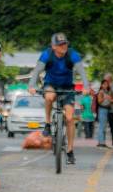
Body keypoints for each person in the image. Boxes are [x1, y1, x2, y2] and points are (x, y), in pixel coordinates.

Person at [27, 33, 89, 165]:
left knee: (70, 118)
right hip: (51, 84)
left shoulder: (72, 54)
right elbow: (37, 71)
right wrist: (32, 86)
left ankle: (70, 151)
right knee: (49, 96)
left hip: (67, 87)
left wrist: (86, 87)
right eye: (60, 44)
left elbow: (82, 72)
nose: (64, 46)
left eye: (65, 43)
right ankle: (48, 123)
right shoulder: (47, 55)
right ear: (53, 46)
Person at [96, 78, 113, 148]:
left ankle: (101, 142)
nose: (106, 85)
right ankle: (101, 142)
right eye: (104, 84)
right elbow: (99, 101)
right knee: (102, 126)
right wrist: (105, 98)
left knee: (103, 126)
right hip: (102, 109)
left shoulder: (107, 92)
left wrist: (111, 99)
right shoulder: (101, 92)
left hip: (106, 109)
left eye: (107, 84)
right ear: (101, 85)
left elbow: (112, 100)